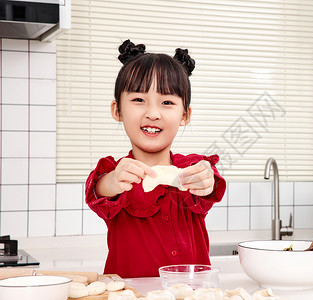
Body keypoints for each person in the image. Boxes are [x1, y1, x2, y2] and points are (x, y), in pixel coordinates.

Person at [85, 40, 226, 278]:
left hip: (190, 293)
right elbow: (100, 189)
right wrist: (113, 181)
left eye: (167, 102)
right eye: (138, 100)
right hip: (130, 294)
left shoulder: (192, 168)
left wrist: (206, 178)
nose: (152, 113)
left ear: (185, 115)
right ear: (117, 110)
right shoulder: (116, 173)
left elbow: (209, 182)